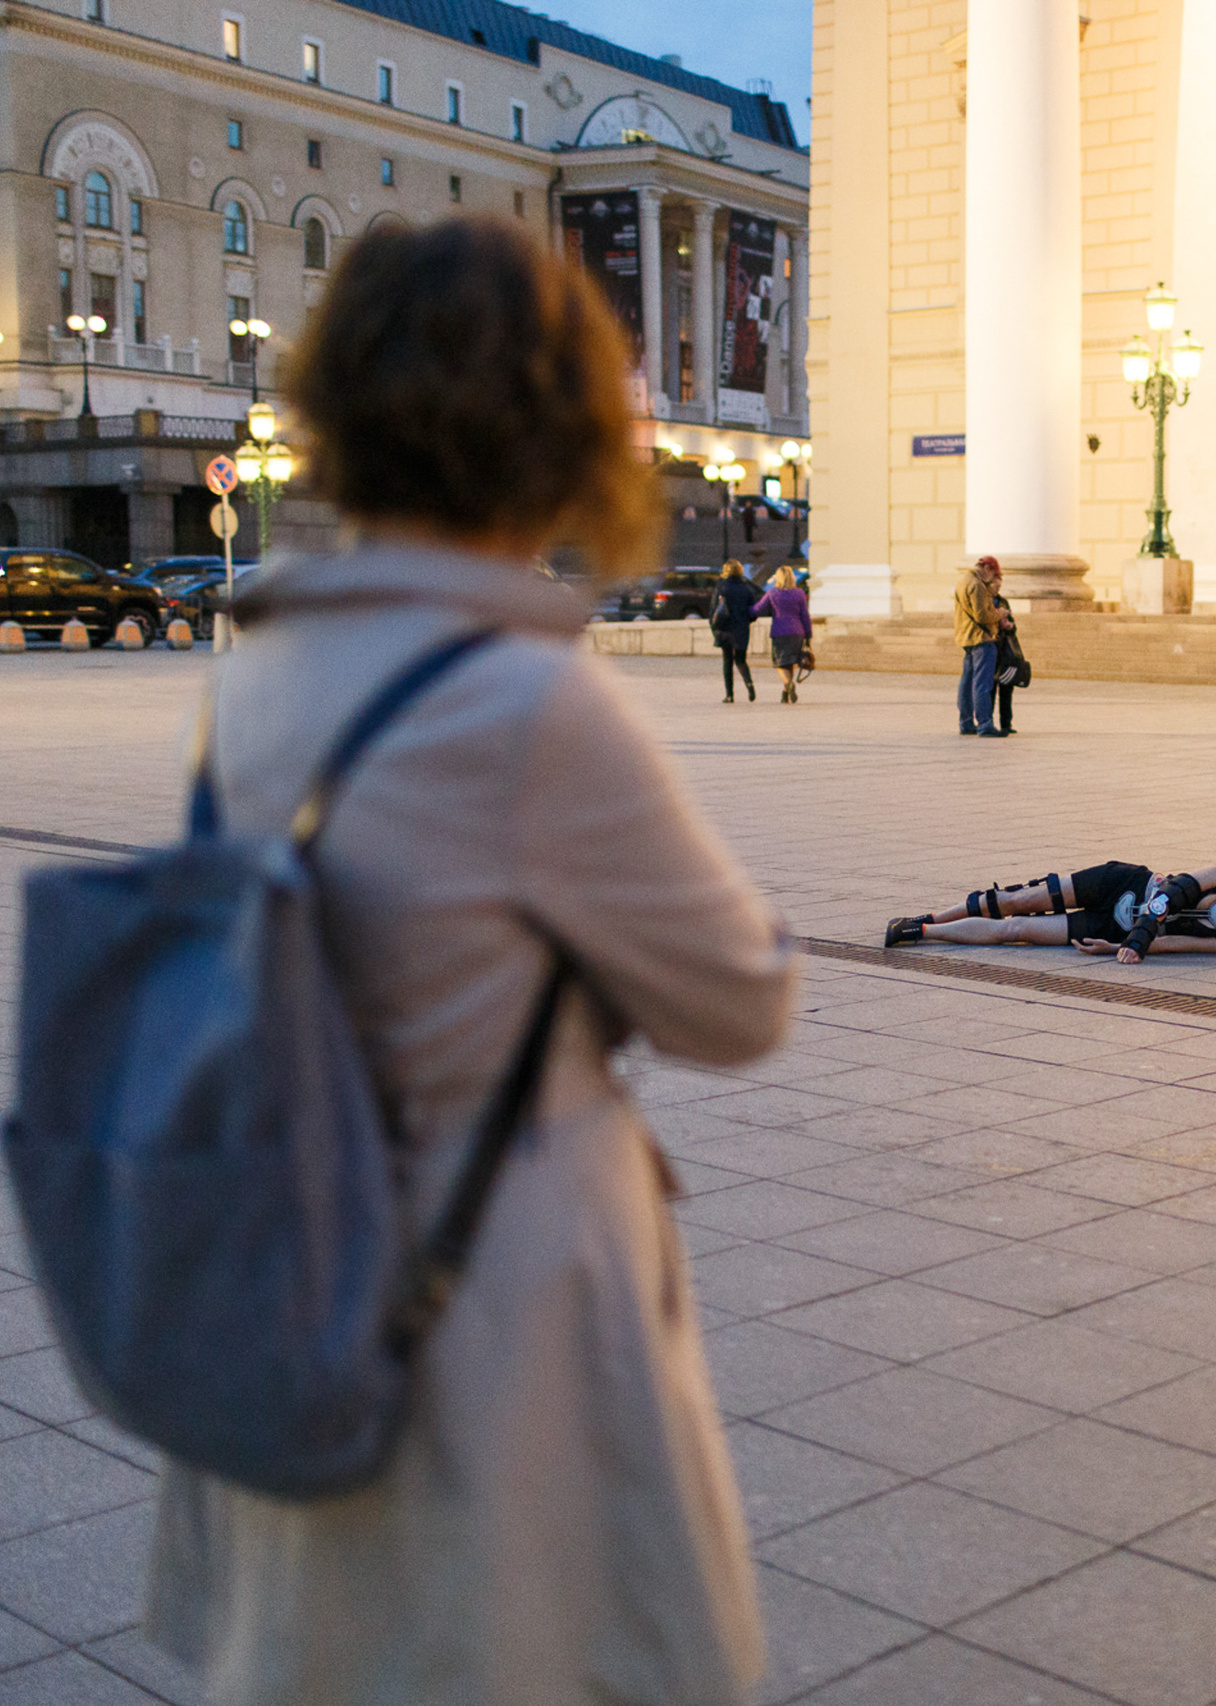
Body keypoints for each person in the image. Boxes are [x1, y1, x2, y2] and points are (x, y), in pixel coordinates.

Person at [144, 216, 794, 1706]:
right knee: (511, 1642)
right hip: (489, 1284)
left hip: (289, 1245)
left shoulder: (256, 674)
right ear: (554, 429)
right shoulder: (521, 697)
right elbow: (740, 997)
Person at [883, 863, 1216, 963]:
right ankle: (936, 915)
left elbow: (1173, 943)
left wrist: (1116, 945)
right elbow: (1172, 896)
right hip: (1120, 883)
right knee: (1019, 900)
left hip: (1109, 925)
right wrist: (1138, 939)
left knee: (1015, 928)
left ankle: (919, 931)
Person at [956, 556, 1009, 737]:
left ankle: (966, 723)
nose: (992, 578)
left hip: (967, 637)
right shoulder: (977, 585)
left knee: (967, 682)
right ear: (986, 568)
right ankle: (985, 724)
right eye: (993, 573)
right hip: (981, 638)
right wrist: (999, 613)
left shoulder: (963, 581)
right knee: (982, 684)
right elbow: (982, 616)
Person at [756, 564, 811, 703]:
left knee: (780, 664)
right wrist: (808, 635)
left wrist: (743, 609)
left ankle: (789, 684)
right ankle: (785, 693)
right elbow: (805, 615)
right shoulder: (799, 593)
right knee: (790, 662)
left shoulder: (773, 593)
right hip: (797, 633)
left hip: (780, 632)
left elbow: (757, 610)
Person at [707, 559, 759, 703]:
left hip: (725, 628)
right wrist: (746, 621)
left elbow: (714, 609)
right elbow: (753, 612)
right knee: (741, 660)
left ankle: (729, 695)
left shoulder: (722, 587)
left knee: (727, 661)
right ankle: (749, 684)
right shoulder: (746, 587)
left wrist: (713, 625)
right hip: (741, 628)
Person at [992, 583, 1029, 735]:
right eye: (995, 584)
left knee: (1007, 688)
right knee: (990, 689)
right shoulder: (985, 600)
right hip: (992, 648)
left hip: (1006, 651)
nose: (997, 587)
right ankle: (987, 722)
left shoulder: (1002, 601)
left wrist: (1009, 625)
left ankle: (1006, 723)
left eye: (999, 584)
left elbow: (1013, 626)